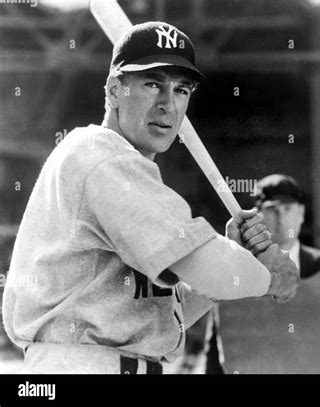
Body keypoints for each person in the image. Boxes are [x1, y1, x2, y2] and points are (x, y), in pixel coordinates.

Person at [1, 21, 299, 374]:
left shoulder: (124, 171)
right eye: (153, 84)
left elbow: (163, 322)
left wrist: (232, 261)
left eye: (181, 90)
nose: (167, 105)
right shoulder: (100, 157)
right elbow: (210, 268)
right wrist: (271, 276)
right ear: (114, 91)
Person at [199, 174, 320, 374]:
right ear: (258, 216)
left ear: (301, 213)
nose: (281, 218)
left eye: (288, 209)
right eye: (273, 210)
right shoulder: (238, 277)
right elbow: (219, 346)